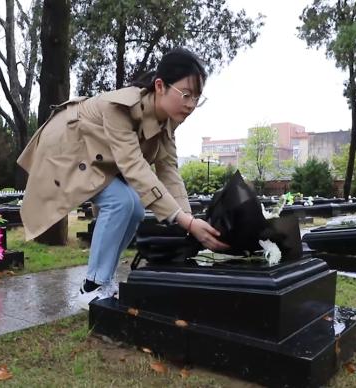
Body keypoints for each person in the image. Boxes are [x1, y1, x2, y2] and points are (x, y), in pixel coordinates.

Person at [17, 47, 229, 310]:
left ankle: (102, 281)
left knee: (136, 207)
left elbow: (169, 172)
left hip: (96, 161)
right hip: (66, 150)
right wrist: (186, 222)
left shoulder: (167, 123)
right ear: (160, 86)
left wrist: (190, 224)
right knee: (121, 201)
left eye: (197, 97)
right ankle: (91, 287)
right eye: (186, 94)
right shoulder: (120, 108)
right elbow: (134, 168)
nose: (191, 104)